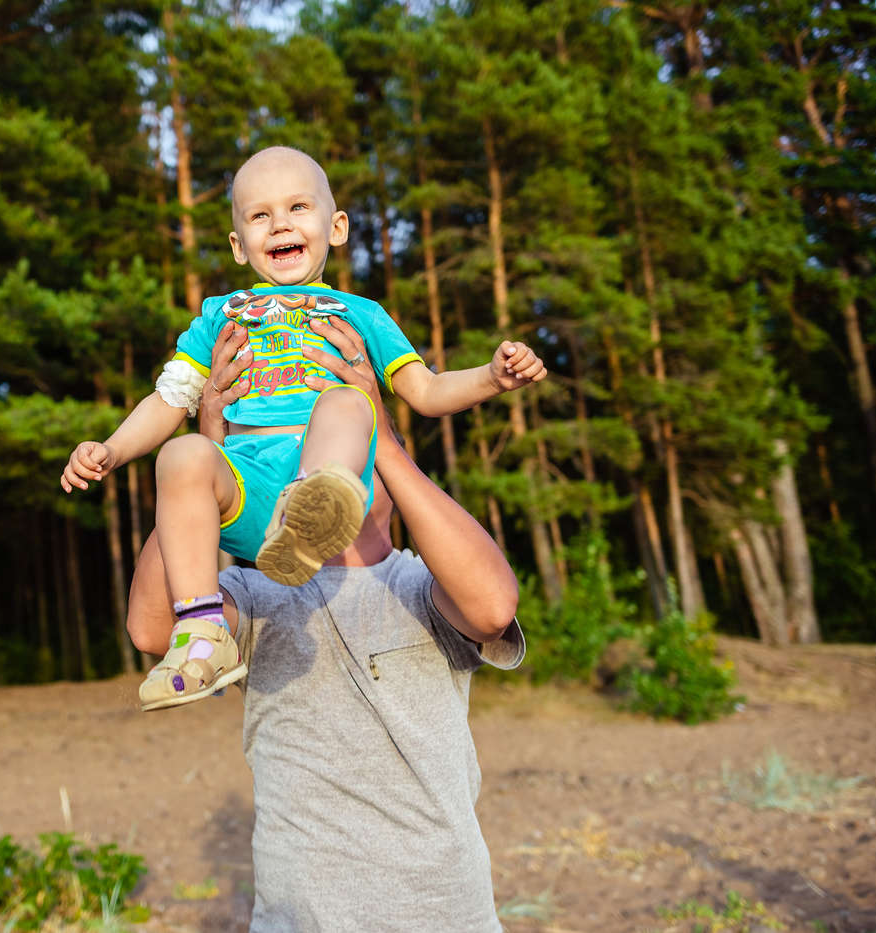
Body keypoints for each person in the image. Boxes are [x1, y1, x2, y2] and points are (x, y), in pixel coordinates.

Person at [62, 145, 545, 711]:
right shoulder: (220, 314)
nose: (281, 223)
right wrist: (113, 450)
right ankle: (202, 634)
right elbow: (169, 399)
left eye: (297, 207)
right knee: (183, 453)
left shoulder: (360, 313)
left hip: (329, 488)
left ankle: (311, 509)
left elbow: (427, 391)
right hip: (247, 492)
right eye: (260, 215)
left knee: (344, 401)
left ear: (336, 227)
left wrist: (492, 377)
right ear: (239, 246)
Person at [127, 318, 527, 931]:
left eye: (343, 469)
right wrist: (208, 462)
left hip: (442, 913)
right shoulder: (253, 598)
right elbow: (154, 631)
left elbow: (493, 606)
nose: (310, 479)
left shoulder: (418, 587)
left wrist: (382, 438)